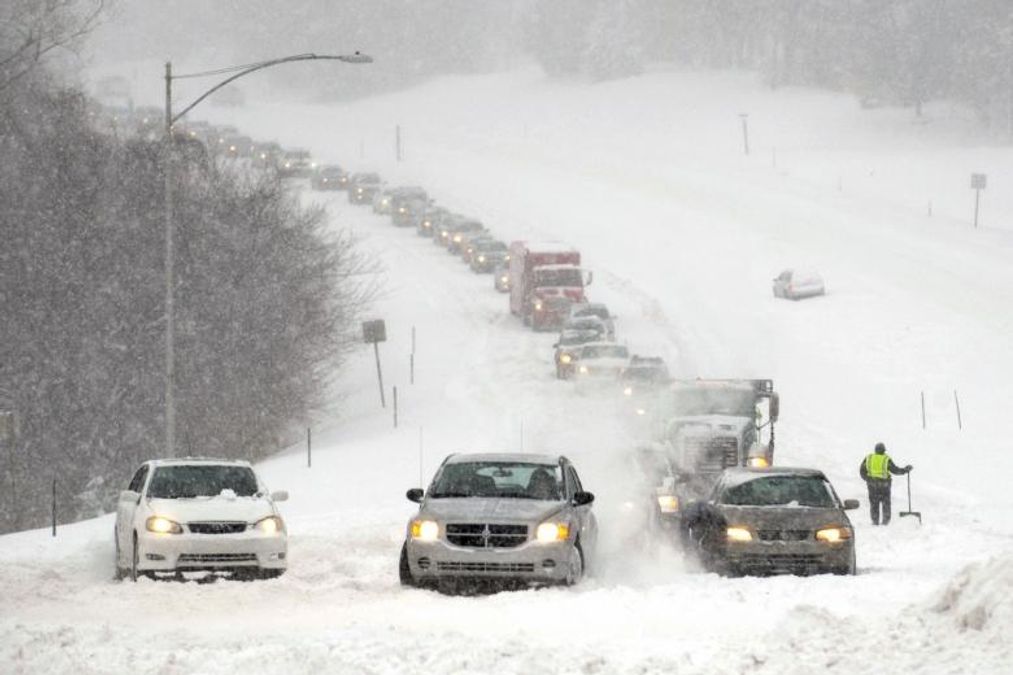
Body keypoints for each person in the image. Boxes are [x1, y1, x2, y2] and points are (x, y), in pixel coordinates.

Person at [858, 442, 912, 525]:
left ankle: (875, 521)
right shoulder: (886, 459)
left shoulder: (869, 458)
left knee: (874, 504)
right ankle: (885, 522)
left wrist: (867, 479)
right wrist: (905, 470)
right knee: (886, 503)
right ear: (883, 450)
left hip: (872, 485)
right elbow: (895, 470)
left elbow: (862, 471)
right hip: (884, 486)